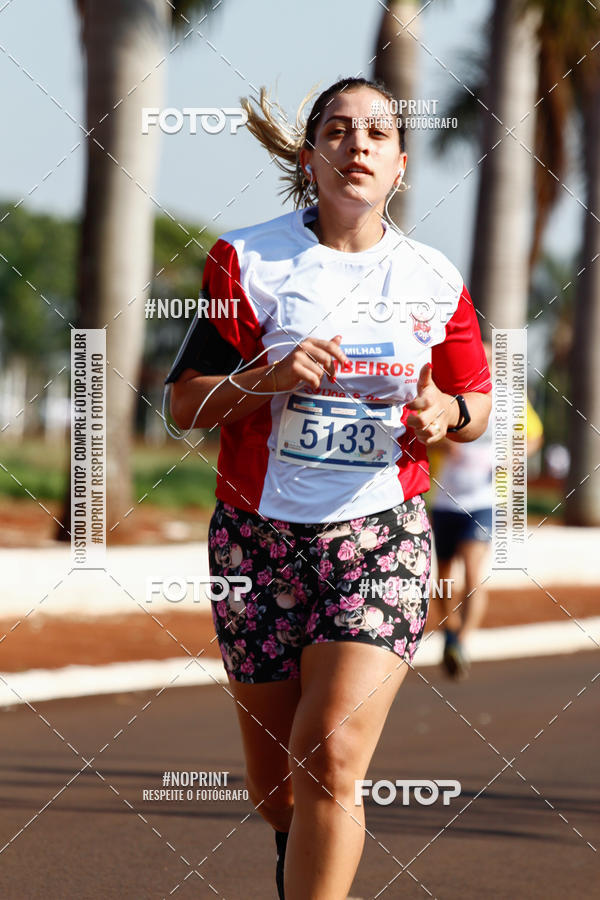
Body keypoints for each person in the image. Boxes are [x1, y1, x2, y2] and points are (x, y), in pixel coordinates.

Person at [167, 77, 492, 900]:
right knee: (279, 793)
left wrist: (444, 409)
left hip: (380, 537)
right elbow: (183, 405)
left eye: (377, 134)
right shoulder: (247, 260)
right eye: (339, 131)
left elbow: (478, 405)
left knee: (329, 760)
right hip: (256, 543)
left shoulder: (432, 276)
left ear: (401, 166)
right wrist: (263, 378)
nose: (358, 145)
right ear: (309, 157)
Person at [432, 345, 544, 679]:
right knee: (444, 576)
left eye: (486, 361)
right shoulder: (450, 396)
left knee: (473, 569)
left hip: (485, 499)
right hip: (445, 498)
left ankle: (463, 643)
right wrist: (444, 444)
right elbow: (424, 433)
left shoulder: (509, 399)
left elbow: (534, 437)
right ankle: (450, 634)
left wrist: (513, 457)